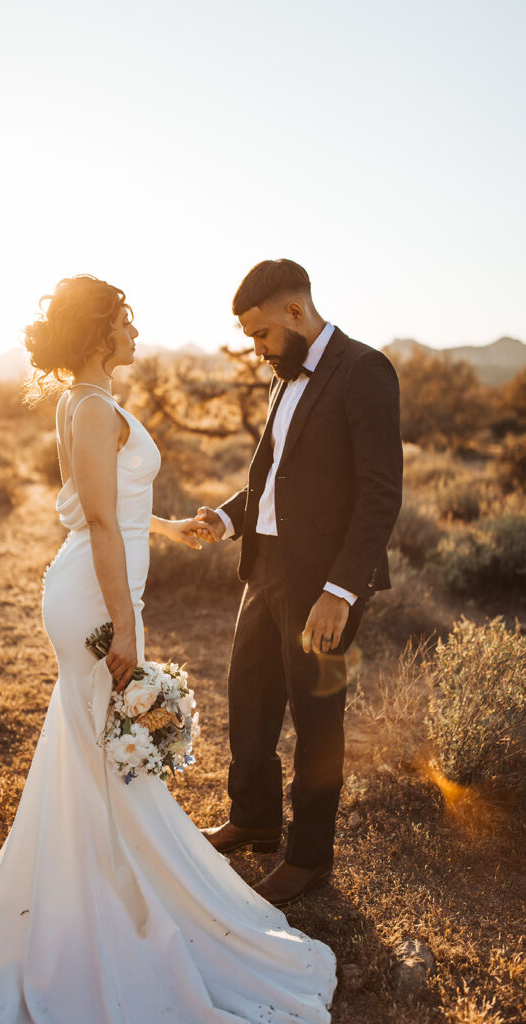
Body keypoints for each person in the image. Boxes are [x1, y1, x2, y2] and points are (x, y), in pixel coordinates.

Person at [0, 274, 337, 1024]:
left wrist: (174, 529)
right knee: (103, 737)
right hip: (94, 597)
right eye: (127, 321)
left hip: (84, 584)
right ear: (103, 331)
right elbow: (102, 524)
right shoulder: (95, 405)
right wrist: (127, 625)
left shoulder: (76, 401)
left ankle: (94, 875)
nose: (136, 332)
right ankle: (98, 899)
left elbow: (109, 508)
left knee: (92, 742)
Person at [197, 259, 403, 908]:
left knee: (318, 722)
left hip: (324, 584)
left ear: (293, 313)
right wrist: (227, 519)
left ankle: (309, 857)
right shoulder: (284, 379)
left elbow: (378, 493)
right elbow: (275, 476)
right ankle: (254, 818)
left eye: (260, 335)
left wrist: (340, 592)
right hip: (264, 573)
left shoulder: (364, 370)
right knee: (248, 701)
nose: (255, 351)